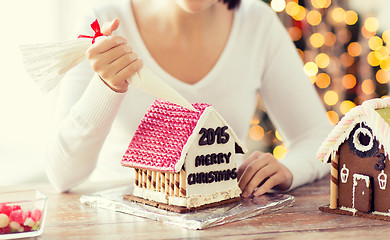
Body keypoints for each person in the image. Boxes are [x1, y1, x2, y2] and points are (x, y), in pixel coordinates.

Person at [46, 0, 331, 196]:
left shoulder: (258, 23)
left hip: (223, 218)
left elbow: (317, 138)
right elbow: (62, 175)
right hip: (119, 220)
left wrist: (288, 170)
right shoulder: (102, 21)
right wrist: (106, 87)